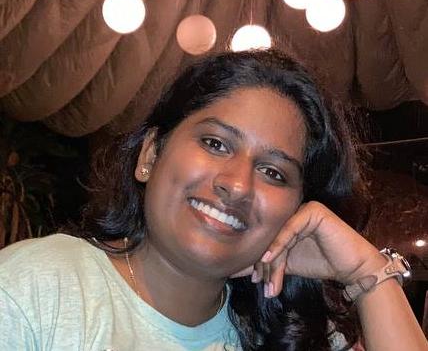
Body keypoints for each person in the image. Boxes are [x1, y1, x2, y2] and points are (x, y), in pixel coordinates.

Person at [0, 49, 426, 351]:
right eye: (216, 143)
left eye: (273, 172)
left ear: (295, 212)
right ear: (150, 156)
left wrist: (366, 272)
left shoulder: (295, 335)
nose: (238, 185)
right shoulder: (36, 288)